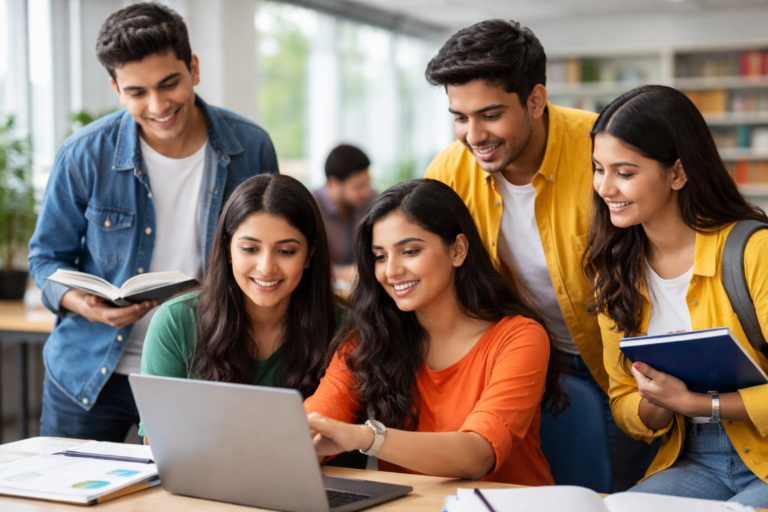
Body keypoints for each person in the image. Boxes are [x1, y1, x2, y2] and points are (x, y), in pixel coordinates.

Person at [27, 2, 278, 442]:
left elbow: (271, 248)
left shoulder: (250, 147)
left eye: (169, 84)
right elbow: (45, 258)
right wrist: (84, 304)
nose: (158, 106)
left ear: (193, 69)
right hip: (89, 373)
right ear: (116, 88)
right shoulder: (84, 154)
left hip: (200, 365)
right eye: (137, 93)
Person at [422, 19, 654, 490]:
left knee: (617, 494)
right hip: (523, 364)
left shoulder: (602, 148)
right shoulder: (450, 169)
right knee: (538, 493)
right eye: (460, 117)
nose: (473, 135)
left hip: (623, 363)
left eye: (489, 115)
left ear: (535, 99)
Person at [304, 179, 568, 485]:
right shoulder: (367, 338)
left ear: (457, 250)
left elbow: (477, 454)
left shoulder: (520, 337)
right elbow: (316, 422)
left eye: (410, 251)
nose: (391, 271)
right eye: (380, 256)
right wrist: (304, 441)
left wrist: (366, 436)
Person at [586, 85, 768, 507]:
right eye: (598, 169)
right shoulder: (613, 270)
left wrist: (698, 402)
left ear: (677, 173)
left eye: (625, 173)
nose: (605, 188)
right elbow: (623, 404)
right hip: (695, 459)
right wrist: (660, 402)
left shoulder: (754, 251)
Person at [312, 144, 376, 284]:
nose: (366, 191)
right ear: (333, 183)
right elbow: (305, 264)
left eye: (367, 183)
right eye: (358, 186)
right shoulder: (310, 207)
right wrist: (342, 274)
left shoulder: (373, 200)